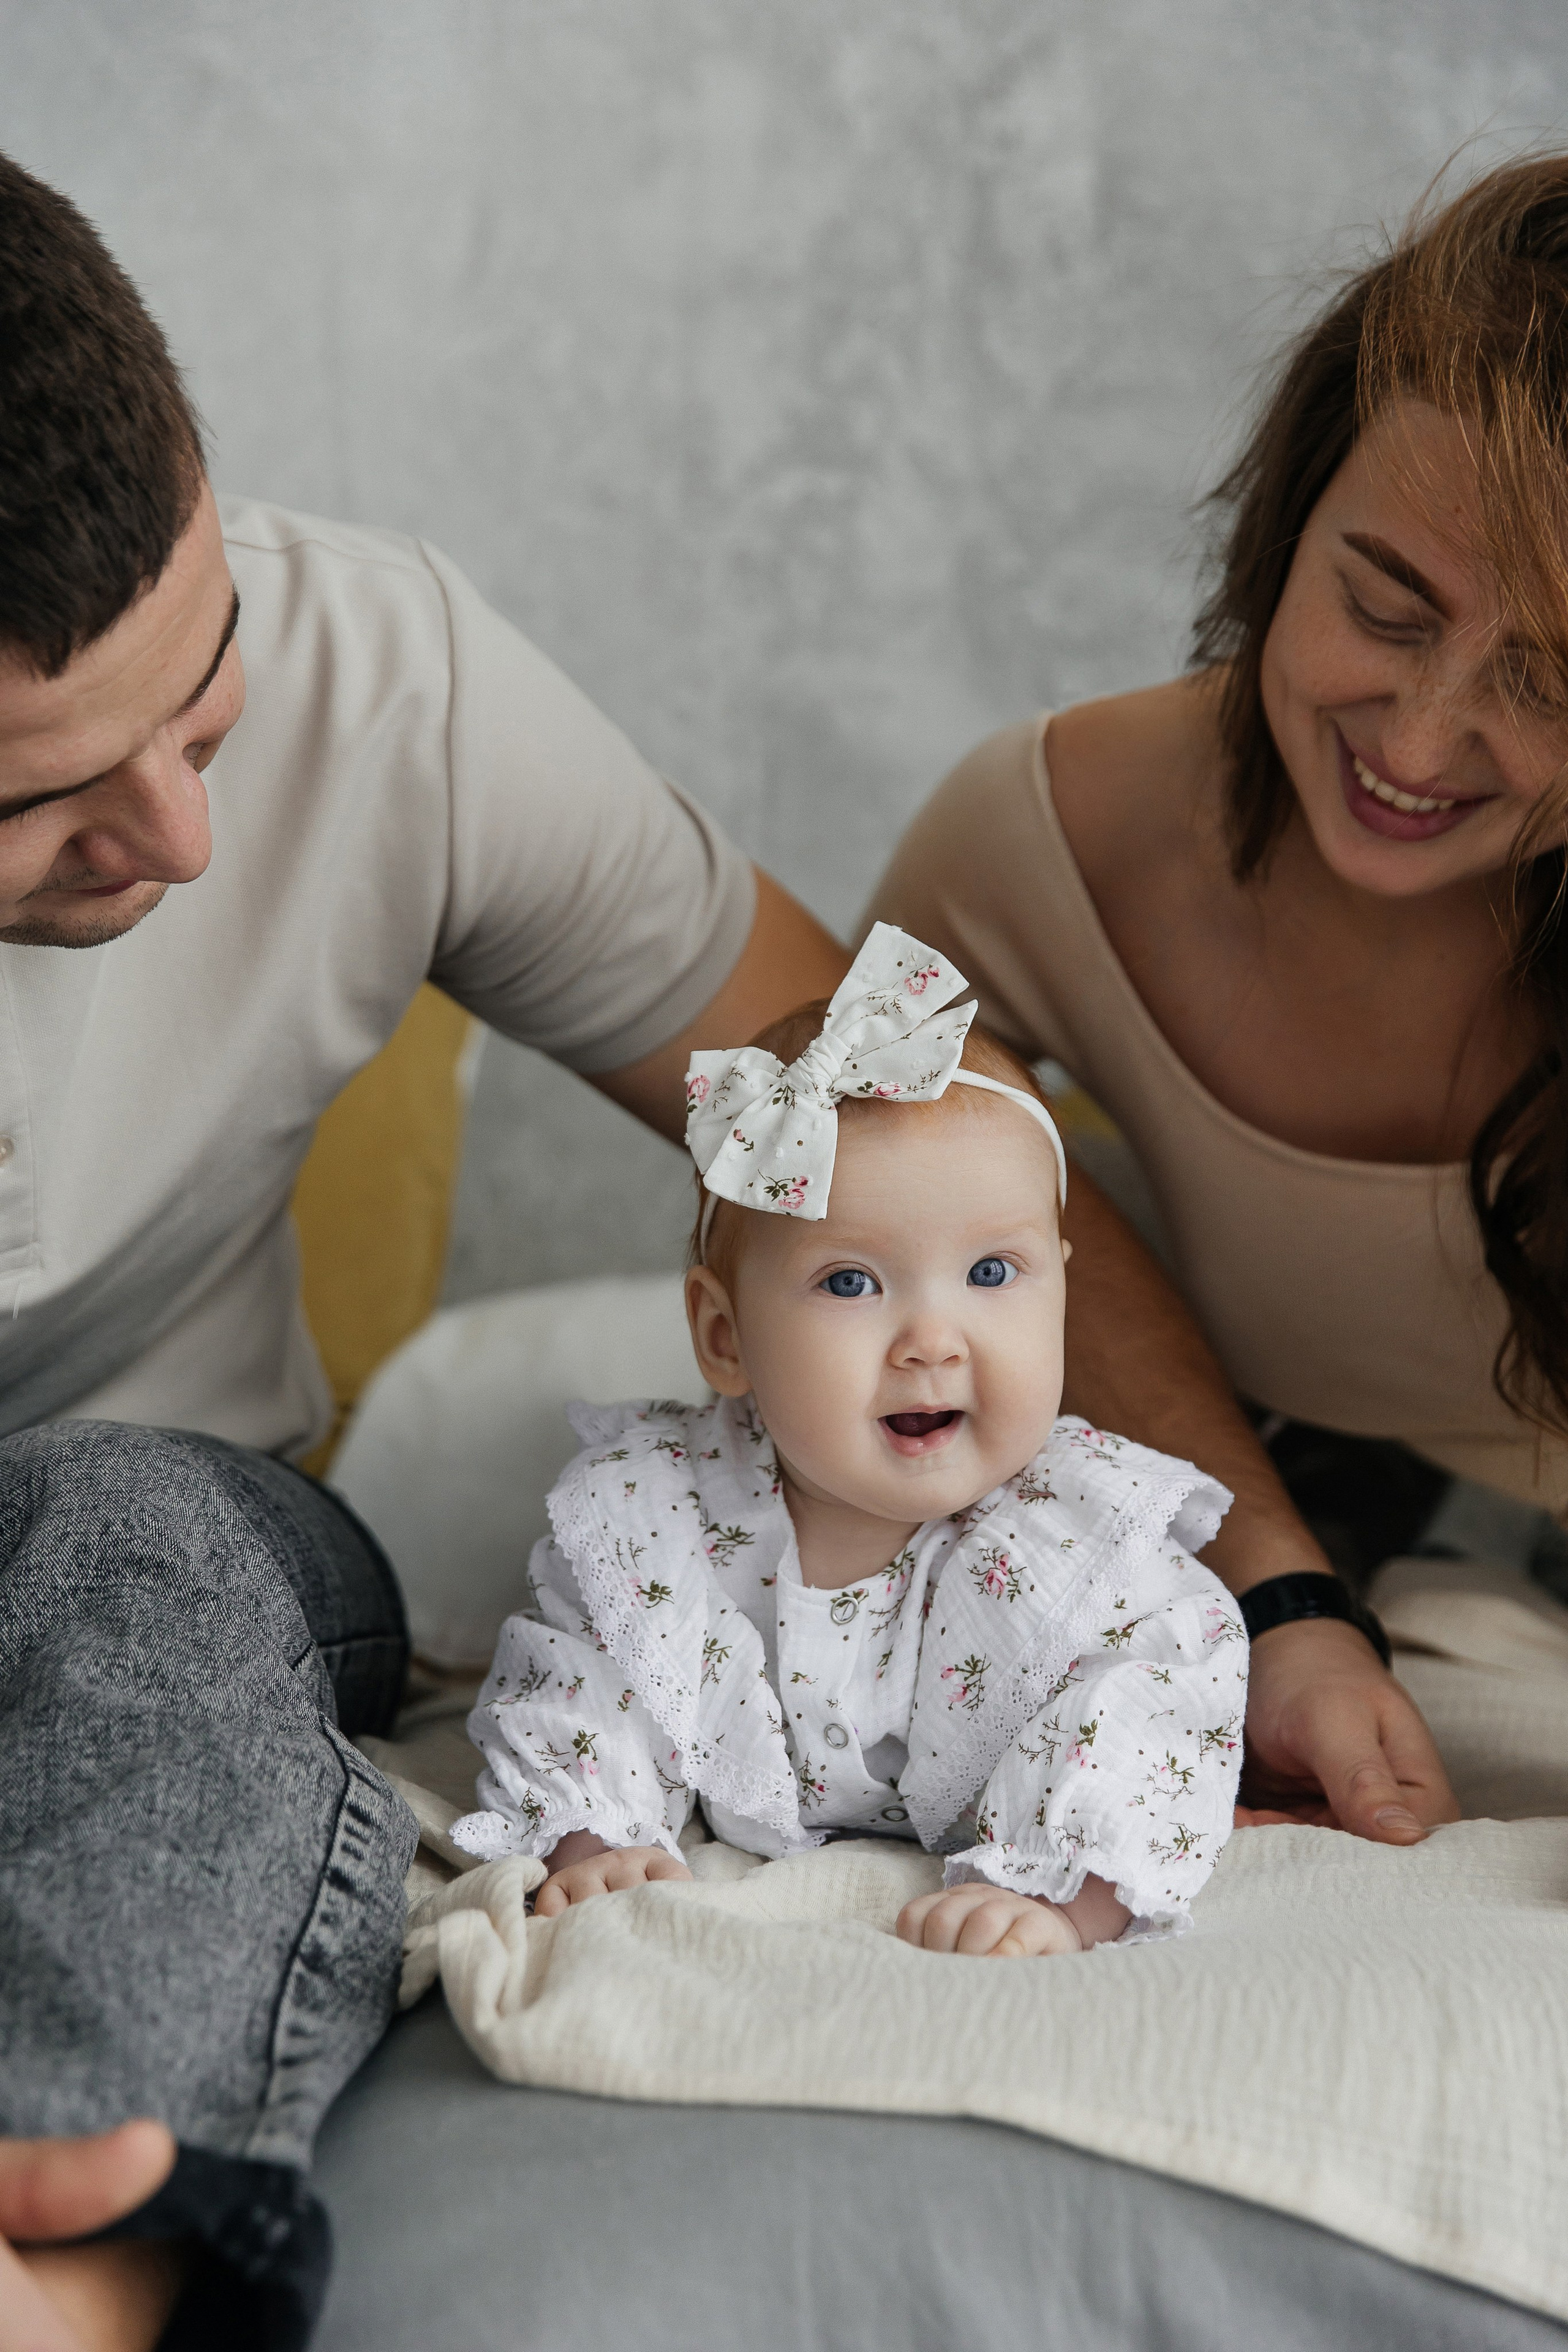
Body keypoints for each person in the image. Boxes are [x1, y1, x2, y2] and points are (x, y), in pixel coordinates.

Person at [0, 155, 847, 2352]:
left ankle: (73, 2270)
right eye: (40, 804)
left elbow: (855, 1106)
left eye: (203, 701)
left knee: (124, 1549)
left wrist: (1280, 1584)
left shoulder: (394, 684)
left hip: (170, 1528)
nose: (183, 838)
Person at [870, 153, 1568, 1842]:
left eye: (1544, 680)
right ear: (1287, 518)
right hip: (1277, 1493)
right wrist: (1283, 1601)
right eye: (1380, 609)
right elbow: (858, 1168)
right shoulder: (1034, 832)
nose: (1414, 744)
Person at [454, 929, 1246, 1958]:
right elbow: (580, 1679)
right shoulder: (660, 1518)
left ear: (1062, 1286)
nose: (931, 1341)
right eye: (850, 1282)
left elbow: (1161, 1705)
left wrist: (1068, 1892)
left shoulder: (1084, 1541)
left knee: (1153, 1666)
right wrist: (592, 1834)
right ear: (724, 1336)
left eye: (994, 1275)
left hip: (1040, 1856)